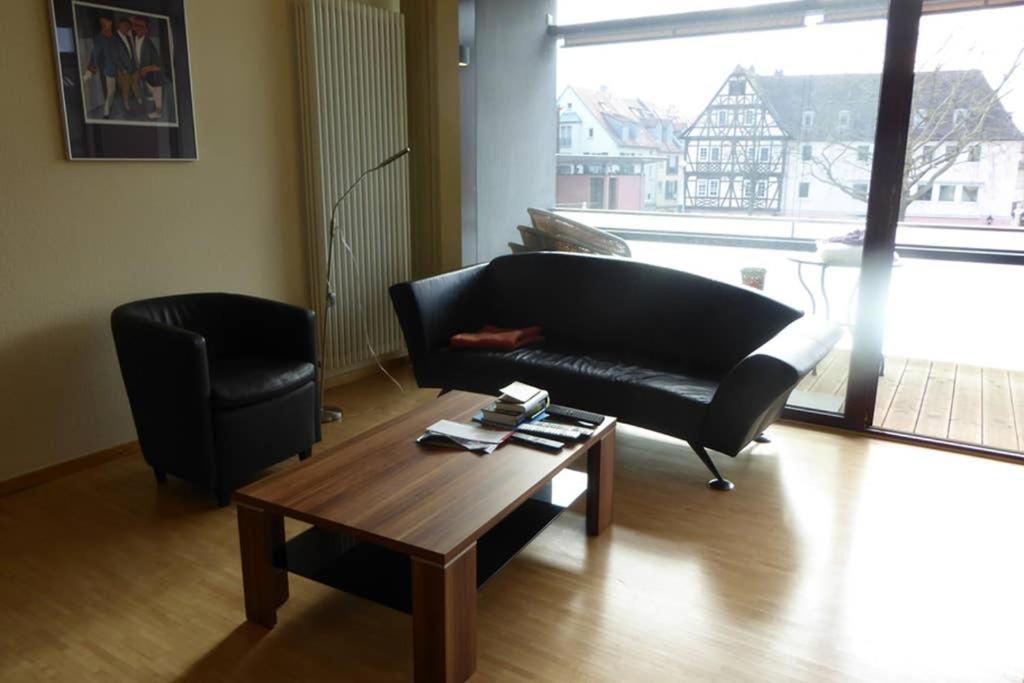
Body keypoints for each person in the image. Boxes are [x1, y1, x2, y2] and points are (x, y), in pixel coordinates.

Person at [131, 16, 165, 120]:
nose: (138, 28)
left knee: (156, 95)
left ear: (146, 29)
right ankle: (147, 108)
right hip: (144, 76)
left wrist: (145, 69)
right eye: (136, 25)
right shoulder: (135, 39)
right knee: (146, 93)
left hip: (154, 76)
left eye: (141, 26)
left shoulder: (149, 44)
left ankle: (158, 112)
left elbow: (158, 66)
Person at [82, 16, 117, 118]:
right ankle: (106, 113)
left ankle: (107, 111)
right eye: (103, 23)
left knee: (112, 90)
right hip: (105, 69)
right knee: (110, 91)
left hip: (115, 68)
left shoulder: (114, 38)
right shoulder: (99, 38)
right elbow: (95, 54)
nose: (106, 25)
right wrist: (91, 68)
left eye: (107, 22)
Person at [111, 17, 141, 114]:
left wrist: (135, 66)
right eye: (125, 26)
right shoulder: (114, 38)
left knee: (135, 84)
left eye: (128, 27)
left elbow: (131, 52)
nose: (127, 28)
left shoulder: (128, 37)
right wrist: (122, 69)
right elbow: (115, 57)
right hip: (123, 69)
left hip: (132, 67)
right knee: (126, 87)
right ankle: (126, 103)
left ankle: (138, 98)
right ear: (120, 26)